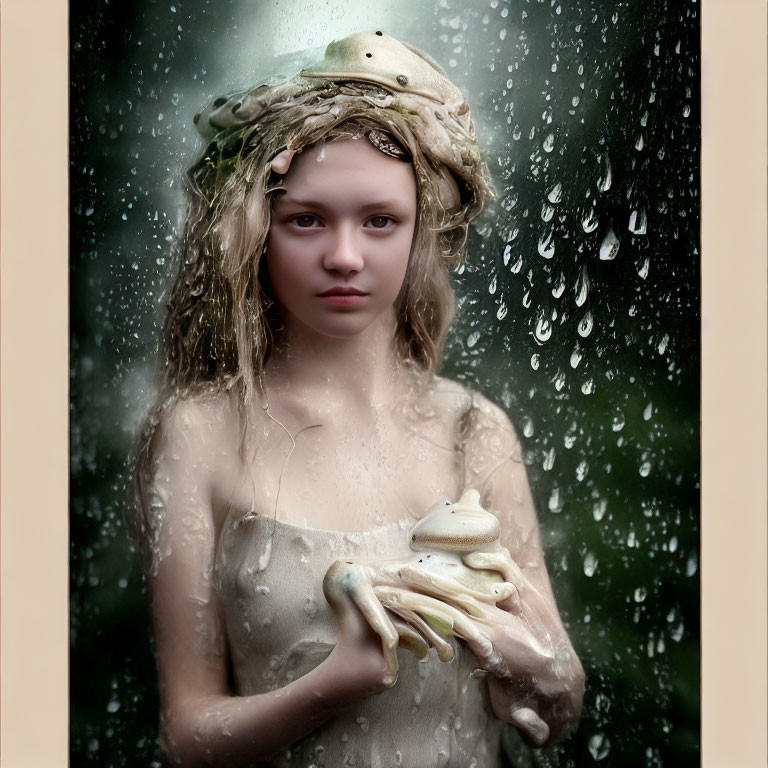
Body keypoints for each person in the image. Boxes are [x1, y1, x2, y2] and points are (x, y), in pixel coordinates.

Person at [135, 30, 584, 768]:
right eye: (306, 219)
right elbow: (186, 738)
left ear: (420, 232)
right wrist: (331, 685)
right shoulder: (201, 433)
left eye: (380, 221)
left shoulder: (473, 431)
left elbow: (557, 708)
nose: (345, 256)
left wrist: (545, 670)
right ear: (258, 231)